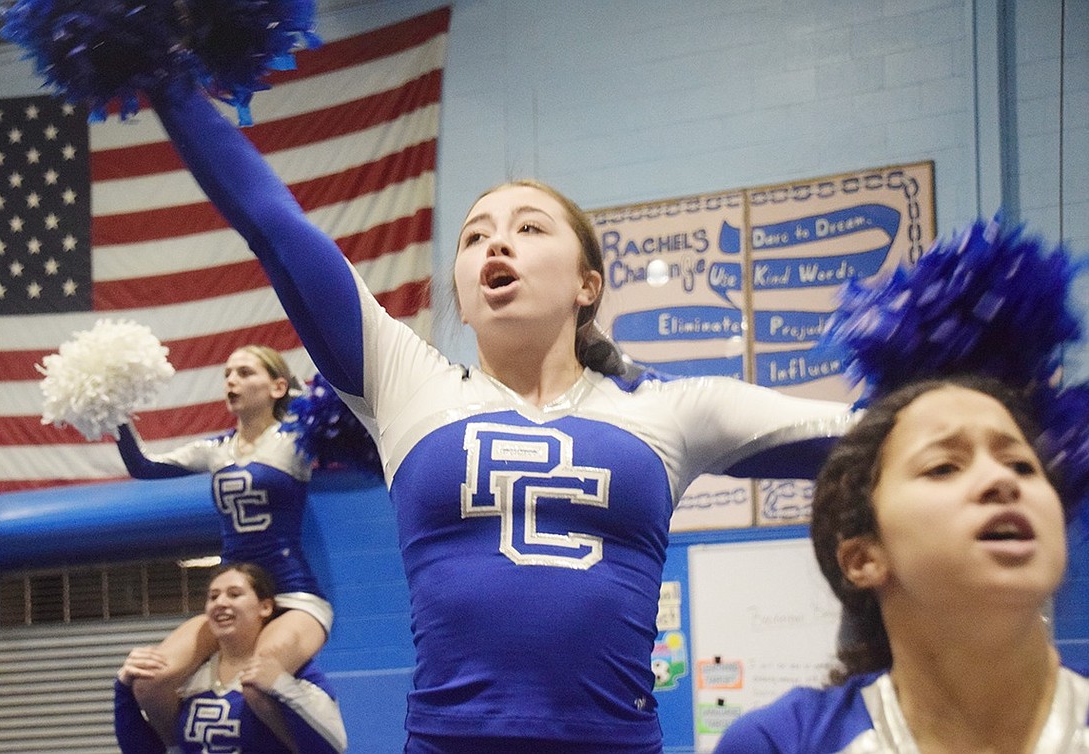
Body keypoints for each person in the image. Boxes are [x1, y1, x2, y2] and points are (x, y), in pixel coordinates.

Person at [138, 73, 859, 753]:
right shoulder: (407, 383)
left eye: (530, 228)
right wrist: (168, 82)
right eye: (475, 235)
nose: (496, 242)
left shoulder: (672, 407)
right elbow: (277, 229)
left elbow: (872, 440)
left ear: (587, 283)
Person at [714, 374, 1089, 753]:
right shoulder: (780, 743)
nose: (1003, 480)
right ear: (863, 558)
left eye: (1022, 465)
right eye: (943, 466)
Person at [115, 345, 332, 745]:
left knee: (259, 683)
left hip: (295, 595)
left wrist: (310, 395)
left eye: (246, 373)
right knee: (150, 680)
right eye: (228, 373)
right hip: (233, 598)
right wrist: (114, 414)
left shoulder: (296, 438)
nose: (232, 380)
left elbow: (343, 419)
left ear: (277, 386)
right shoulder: (214, 450)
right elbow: (143, 466)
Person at [115, 562, 348, 754]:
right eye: (213, 597)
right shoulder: (191, 676)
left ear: (265, 607)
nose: (221, 603)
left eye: (234, 594)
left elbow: (333, 747)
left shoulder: (295, 671)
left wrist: (280, 685)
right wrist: (124, 688)